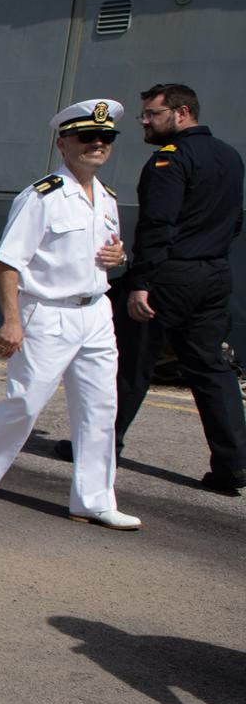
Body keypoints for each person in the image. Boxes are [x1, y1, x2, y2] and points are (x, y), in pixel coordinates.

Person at [0, 100, 138, 529]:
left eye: (106, 138)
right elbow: (7, 262)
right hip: (48, 314)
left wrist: (120, 254)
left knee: (101, 407)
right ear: (63, 143)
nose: (98, 144)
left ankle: (93, 499)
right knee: (24, 402)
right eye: (87, 137)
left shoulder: (108, 198)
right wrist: (11, 320)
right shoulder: (41, 197)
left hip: (95, 312)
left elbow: (106, 250)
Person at [113, 83, 245, 492]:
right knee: (210, 368)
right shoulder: (229, 156)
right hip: (214, 274)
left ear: (181, 112)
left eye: (152, 114)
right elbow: (235, 219)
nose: (145, 123)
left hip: (169, 276)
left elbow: (157, 225)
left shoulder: (169, 161)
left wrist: (142, 283)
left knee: (132, 363)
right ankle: (233, 463)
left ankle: (99, 446)